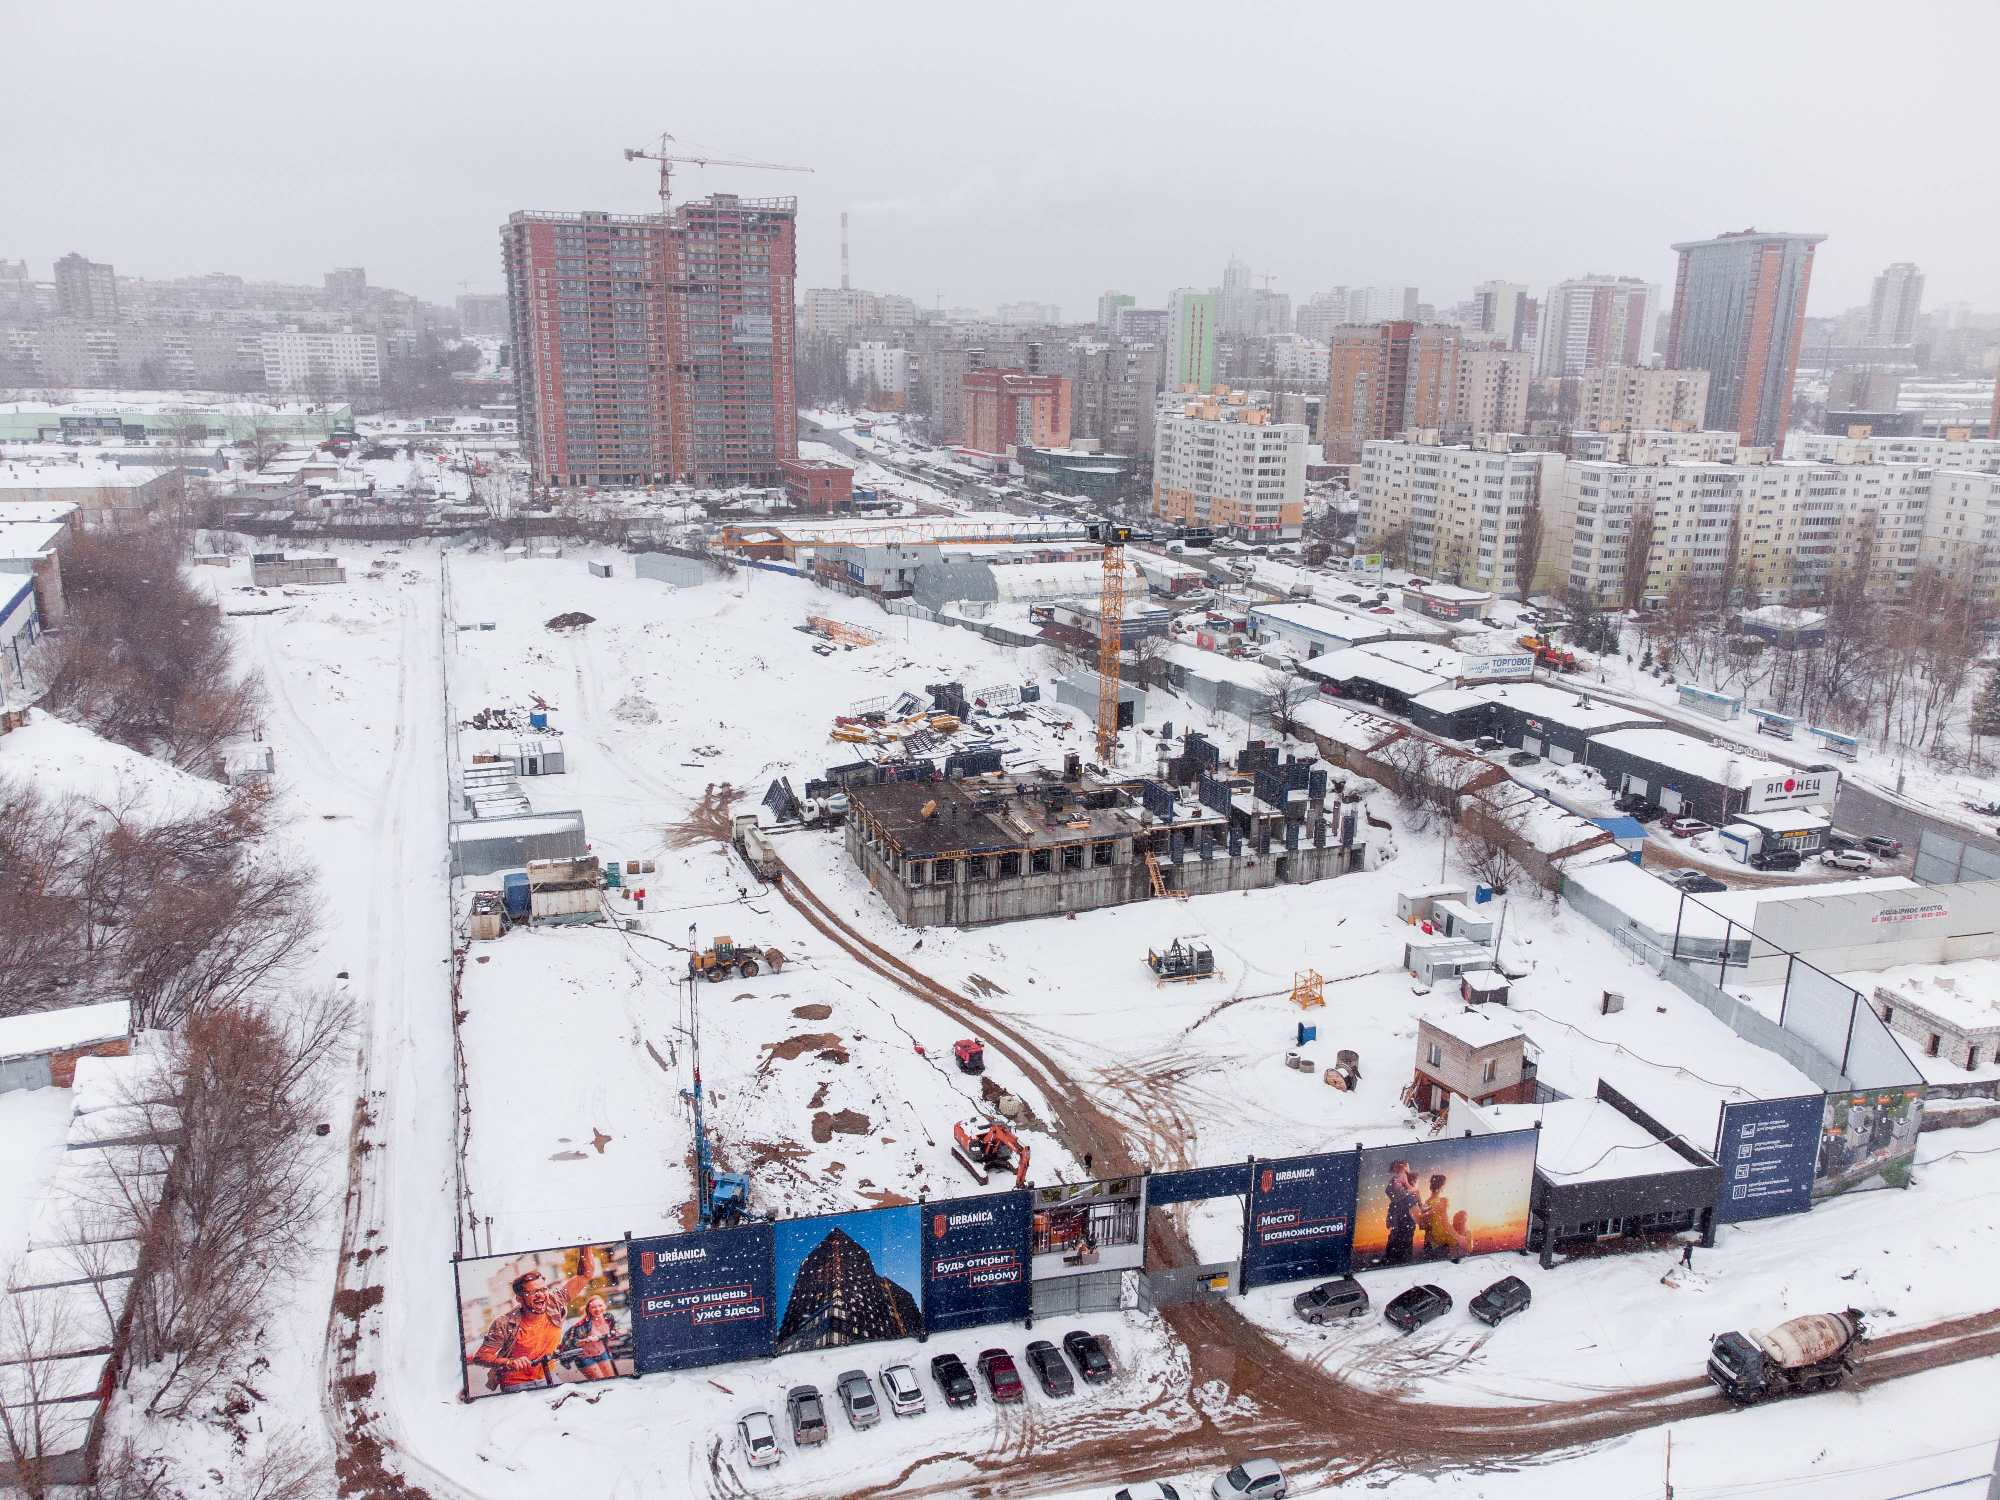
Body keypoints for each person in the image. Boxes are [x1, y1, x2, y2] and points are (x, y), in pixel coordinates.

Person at [469, 1247, 601, 1394]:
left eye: (543, 1289)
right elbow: (480, 1357)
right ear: (519, 1299)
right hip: (516, 1384)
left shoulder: (554, 1301)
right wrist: (509, 1362)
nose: (540, 1295)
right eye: (532, 1292)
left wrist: (585, 1245)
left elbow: (585, 1275)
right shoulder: (504, 1323)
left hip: (548, 1375)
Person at [559, 1294, 620, 1381]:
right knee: (601, 1384)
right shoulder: (583, 1325)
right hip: (585, 1358)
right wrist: (586, 1340)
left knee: (612, 1380)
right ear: (588, 1310)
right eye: (594, 1307)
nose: (598, 1309)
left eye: (600, 1305)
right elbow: (573, 1342)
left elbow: (615, 1331)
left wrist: (618, 1331)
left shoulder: (608, 1318)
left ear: (605, 1305)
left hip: (602, 1353)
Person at [1383, 1161, 1419, 1265]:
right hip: (1401, 1212)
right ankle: (1399, 1260)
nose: (1409, 1168)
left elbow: (1389, 1192)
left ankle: (1393, 1259)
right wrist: (1413, 1190)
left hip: (1398, 1212)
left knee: (1397, 1238)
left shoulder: (1395, 1179)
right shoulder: (1401, 1177)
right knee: (1402, 1240)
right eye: (1407, 1166)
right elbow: (1408, 1190)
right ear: (1403, 1167)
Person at [1421, 1174, 1452, 1259]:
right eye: (1444, 1184)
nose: (1444, 1187)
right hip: (1441, 1241)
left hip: (1429, 1243)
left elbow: (1423, 1226)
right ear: (1441, 1185)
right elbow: (1446, 1224)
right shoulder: (1443, 1201)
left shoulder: (1426, 1203)